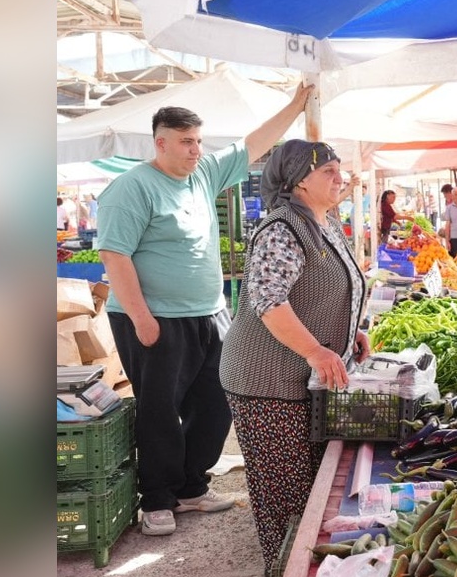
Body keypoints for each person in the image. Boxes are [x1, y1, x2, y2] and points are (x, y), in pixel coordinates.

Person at [97, 84, 313, 537]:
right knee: (159, 410)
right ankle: (156, 498)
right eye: (186, 141)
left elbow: (253, 143)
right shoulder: (132, 188)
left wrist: (295, 106)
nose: (196, 149)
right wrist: (142, 319)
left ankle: (191, 487)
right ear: (160, 142)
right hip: (154, 317)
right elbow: (115, 256)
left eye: (198, 140)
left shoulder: (204, 173)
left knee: (215, 403)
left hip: (210, 313)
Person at [219, 140, 368, 577]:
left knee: (311, 483)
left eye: (340, 169)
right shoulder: (281, 228)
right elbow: (270, 300)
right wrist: (315, 349)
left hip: (304, 377)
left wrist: (349, 330)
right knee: (284, 488)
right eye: (329, 172)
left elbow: (333, 284)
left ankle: (309, 571)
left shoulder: (326, 221)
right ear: (298, 179)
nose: (339, 177)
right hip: (266, 380)